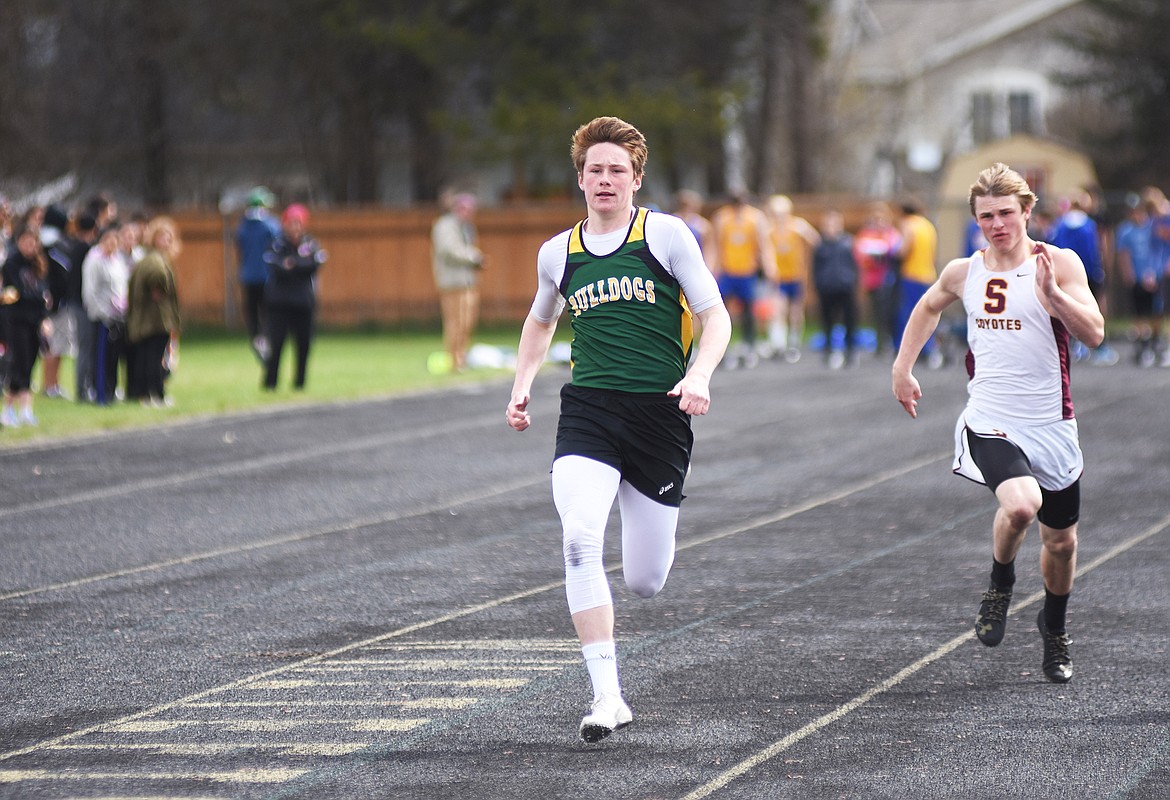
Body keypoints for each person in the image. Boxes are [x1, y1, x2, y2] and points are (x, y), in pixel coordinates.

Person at [505, 116, 731, 742]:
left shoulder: (664, 236)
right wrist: (522, 385)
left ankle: (615, 672)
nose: (605, 180)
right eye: (595, 170)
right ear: (580, 179)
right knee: (579, 538)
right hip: (590, 411)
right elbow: (540, 320)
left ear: (636, 179)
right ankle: (608, 696)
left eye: (617, 170)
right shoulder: (558, 252)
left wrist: (700, 376)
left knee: (644, 580)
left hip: (661, 414)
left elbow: (716, 319)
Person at [892, 163, 1104, 684]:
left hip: (1051, 423)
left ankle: (1053, 629)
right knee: (1021, 504)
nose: (997, 225)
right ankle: (1000, 583)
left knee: (1062, 543)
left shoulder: (1058, 261)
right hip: (991, 417)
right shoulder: (964, 271)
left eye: (1006, 213)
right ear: (975, 219)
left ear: (1028, 211)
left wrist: (1054, 298)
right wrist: (902, 367)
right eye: (986, 216)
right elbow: (927, 307)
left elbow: (1095, 333)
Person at [1049, 188, 1117, 365]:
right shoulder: (1088, 225)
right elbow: (1093, 251)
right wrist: (1098, 269)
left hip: (1065, 274)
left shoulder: (1060, 224)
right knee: (1095, 308)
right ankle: (1100, 348)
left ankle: (1073, 346)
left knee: (1067, 310)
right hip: (1087, 272)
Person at [262, 203, 326, 390]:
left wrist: (293, 264)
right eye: (291, 222)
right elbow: (276, 267)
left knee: (304, 344)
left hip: (303, 303)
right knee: (276, 344)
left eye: (298, 222)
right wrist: (296, 265)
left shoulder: (311, 243)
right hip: (279, 303)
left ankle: (300, 382)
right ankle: (270, 382)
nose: (294, 226)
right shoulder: (276, 244)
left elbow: (313, 264)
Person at [711, 190, 775, 368]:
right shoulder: (722, 218)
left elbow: (763, 244)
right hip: (728, 271)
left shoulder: (755, 218)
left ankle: (749, 346)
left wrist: (769, 266)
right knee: (722, 311)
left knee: (748, 311)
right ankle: (722, 349)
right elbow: (717, 246)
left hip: (747, 271)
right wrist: (713, 270)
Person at [1, 218, 52, 427]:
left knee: (30, 363)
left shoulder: (37, 264)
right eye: (26, 241)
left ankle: (24, 410)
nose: (29, 246)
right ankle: (11, 408)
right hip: (16, 320)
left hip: (34, 321)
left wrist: (44, 317)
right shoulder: (12, 263)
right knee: (19, 363)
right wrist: (37, 298)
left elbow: (44, 294)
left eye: (33, 242)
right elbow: (16, 293)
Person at [127, 216, 182, 407]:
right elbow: (157, 280)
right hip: (155, 320)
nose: (166, 241)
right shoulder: (154, 260)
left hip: (151, 319)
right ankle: (154, 393)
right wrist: (159, 288)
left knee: (148, 356)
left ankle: (146, 393)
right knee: (153, 358)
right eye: (162, 237)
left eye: (169, 237)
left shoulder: (150, 258)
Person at [431, 191, 484, 372]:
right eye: (464, 208)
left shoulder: (466, 227)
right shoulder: (445, 225)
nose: (468, 213)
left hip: (467, 282)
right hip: (452, 283)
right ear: (456, 208)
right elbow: (448, 250)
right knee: (455, 322)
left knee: (466, 322)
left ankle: (462, 358)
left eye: (470, 209)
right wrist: (473, 257)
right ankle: (454, 361)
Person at [765, 194, 819, 362]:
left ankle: (794, 343)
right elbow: (766, 251)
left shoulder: (797, 226)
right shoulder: (770, 230)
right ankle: (778, 343)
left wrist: (805, 231)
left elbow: (816, 241)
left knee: (796, 310)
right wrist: (770, 269)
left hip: (796, 275)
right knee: (778, 309)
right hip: (780, 277)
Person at [82, 223, 131, 404]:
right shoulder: (94, 260)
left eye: (114, 240)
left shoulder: (117, 261)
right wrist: (102, 312)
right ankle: (100, 393)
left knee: (114, 357)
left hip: (118, 315)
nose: (111, 243)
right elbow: (90, 291)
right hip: (102, 317)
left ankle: (112, 390)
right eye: (108, 240)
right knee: (101, 356)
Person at [894, 196, 943, 368]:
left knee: (908, 314)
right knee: (928, 313)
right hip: (928, 275)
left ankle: (905, 352)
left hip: (912, 275)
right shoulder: (927, 225)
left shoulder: (908, 224)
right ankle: (929, 348)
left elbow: (903, 250)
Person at [1114, 194, 1163, 366]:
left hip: (1153, 276)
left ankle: (1155, 343)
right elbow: (1123, 255)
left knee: (1156, 311)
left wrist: (1154, 272)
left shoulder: (1152, 227)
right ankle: (1142, 347)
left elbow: (1159, 250)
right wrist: (1130, 275)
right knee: (1139, 313)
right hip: (1137, 278)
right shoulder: (1125, 230)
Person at [811, 209, 859, 368]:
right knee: (827, 321)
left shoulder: (848, 242)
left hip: (845, 287)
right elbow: (815, 267)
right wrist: (818, 284)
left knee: (849, 320)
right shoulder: (820, 245)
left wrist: (852, 281)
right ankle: (828, 350)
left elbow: (855, 265)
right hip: (826, 288)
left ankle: (850, 351)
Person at [237, 186, 281, 361]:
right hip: (267, 276)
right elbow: (277, 241)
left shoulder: (243, 226)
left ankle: (256, 338)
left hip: (248, 276)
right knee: (269, 311)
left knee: (252, 312)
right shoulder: (270, 225)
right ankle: (265, 340)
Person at [853, 201, 901, 356]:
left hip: (888, 280)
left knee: (888, 313)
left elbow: (894, 249)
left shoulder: (892, 233)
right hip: (872, 280)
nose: (879, 222)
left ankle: (890, 342)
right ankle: (880, 343)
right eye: (876, 219)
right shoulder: (866, 234)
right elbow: (859, 253)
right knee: (876, 313)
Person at [39, 205, 76, 399]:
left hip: (62, 302)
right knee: (51, 346)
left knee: (59, 345)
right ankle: (48, 385)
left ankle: (54, 384)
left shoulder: (57, 241)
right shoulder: (49, 242)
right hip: (53, 303)